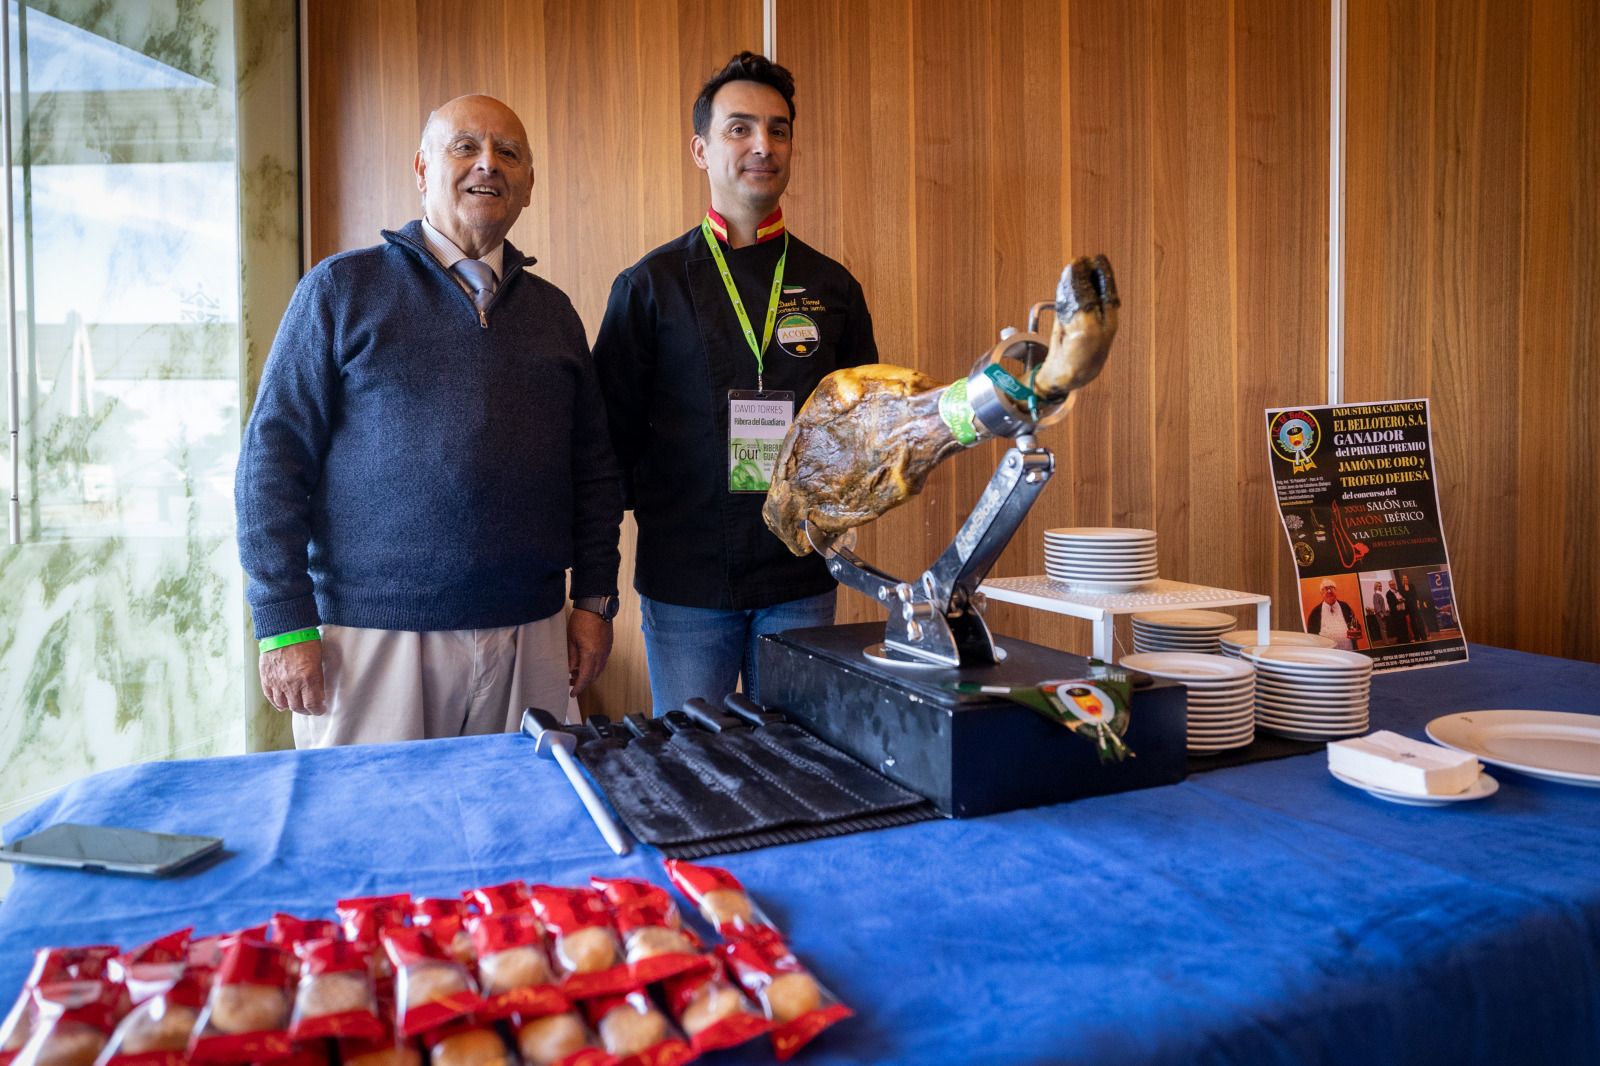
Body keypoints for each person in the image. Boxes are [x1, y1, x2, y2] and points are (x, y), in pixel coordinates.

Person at [236, 94, 623, 748]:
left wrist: (592, 603)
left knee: (523, 831)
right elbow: (270, 468)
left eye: (509, 153)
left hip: (529, 634)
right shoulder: (339, 291)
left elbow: (594, 474)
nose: (487, 165)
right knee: (373, 837)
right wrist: (284, 624)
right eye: (465, 147)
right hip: (371, 642)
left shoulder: (555, 314)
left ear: (529, 184)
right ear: (421, 170)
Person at [593, 52, 878, 714]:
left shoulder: (832, 286)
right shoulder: (649, 286)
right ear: (701, 148)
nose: (763, 146)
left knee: (800, 763)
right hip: (685, 582)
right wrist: (597, 590)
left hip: (801, 578)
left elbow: (862, 431)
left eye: (779, 131)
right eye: (740, 128)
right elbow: (605, 446)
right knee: (692, 772)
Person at [1306, 578, 1362, 651]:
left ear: (1336, 590)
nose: (1329, 591)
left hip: (1349, 651)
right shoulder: (1315, 612)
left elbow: (1355, 624)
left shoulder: (1345, 606)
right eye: (1326, 588)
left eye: (1331, 588)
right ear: (1321, 593)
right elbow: (1312, 636)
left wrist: (1356, 628)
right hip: (1328, 654)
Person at [1400, 573, 1431, 641]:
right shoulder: (1401, 588)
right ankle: (1417, 637)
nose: (1405, 579)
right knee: (1413, 622)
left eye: (1406, 578)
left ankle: (1423, 636)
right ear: (1402, 580)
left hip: (1414, 606)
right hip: (1408, 608)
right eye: (1404, 579)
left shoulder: (1412, 585)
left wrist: (1417, 602)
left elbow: (1416, 595)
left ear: (1407, 579)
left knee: (1420, 621)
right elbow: (1402, 597)